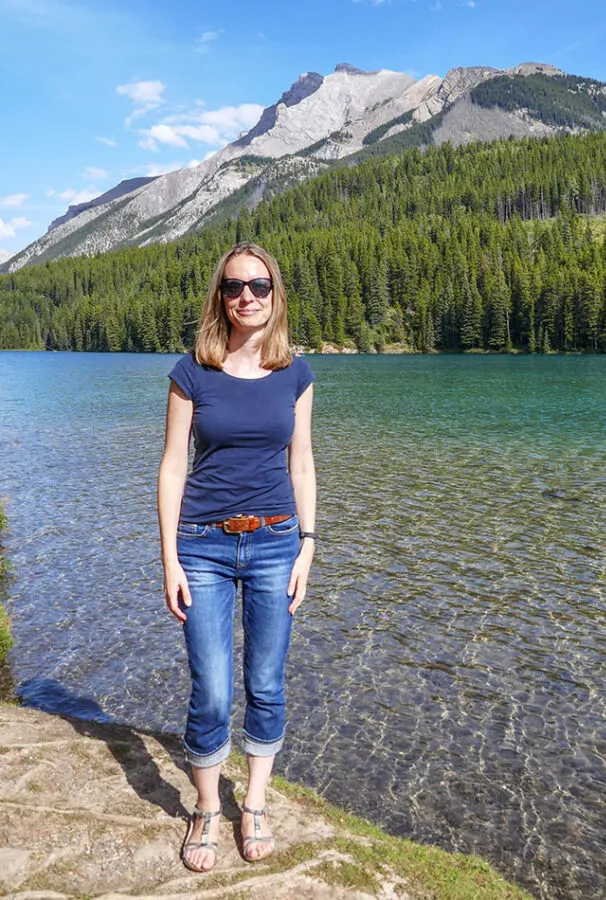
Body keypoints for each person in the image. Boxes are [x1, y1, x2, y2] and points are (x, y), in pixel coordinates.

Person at [157, 242, 316, 872]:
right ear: (218, 298)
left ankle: (253, 803)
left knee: (267, 682)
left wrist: (309, 543)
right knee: (214, 690)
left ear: (275, 294)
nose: (245, 295)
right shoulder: (192, 370)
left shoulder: (296, 374)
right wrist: (168, 557)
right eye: (233, 286)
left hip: (278, 541)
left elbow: (301, 461)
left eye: (258, 285)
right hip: (202, 545)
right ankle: (206, 809)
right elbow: (173, 466)